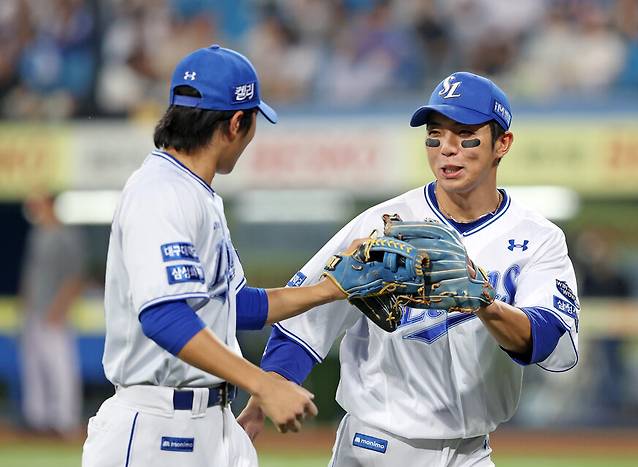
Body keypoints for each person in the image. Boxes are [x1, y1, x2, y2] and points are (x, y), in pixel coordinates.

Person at [238, 72, 581, 466]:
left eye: (464, 133)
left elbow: (552, 338)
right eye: (435, 135)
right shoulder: (382, 224)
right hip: (377, 446)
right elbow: (305, 321)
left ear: (502, 143)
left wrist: (488, 305)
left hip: (472, 451)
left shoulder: (537, 236)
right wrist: (270, 389)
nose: (446, 149)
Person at [81, 45, 348, 467]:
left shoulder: (194, 192)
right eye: (254, 121)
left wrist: (329, 291)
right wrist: (264, 384)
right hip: (159, 428)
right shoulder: (160, 192)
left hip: (209, 422)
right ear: (237, 122)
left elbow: (234, 307)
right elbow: (165, 316)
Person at [19, 193, 86, 438]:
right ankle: (38, 420)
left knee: (61, 368)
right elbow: (30, 274)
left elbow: (75, 276)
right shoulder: (37, 234)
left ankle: (65, 421)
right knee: (34, 368)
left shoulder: (67, 235)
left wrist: (60, 308)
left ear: (49, 203)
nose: (33, 207)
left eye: (38, 202)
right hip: (34, 312)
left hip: (55, 313)